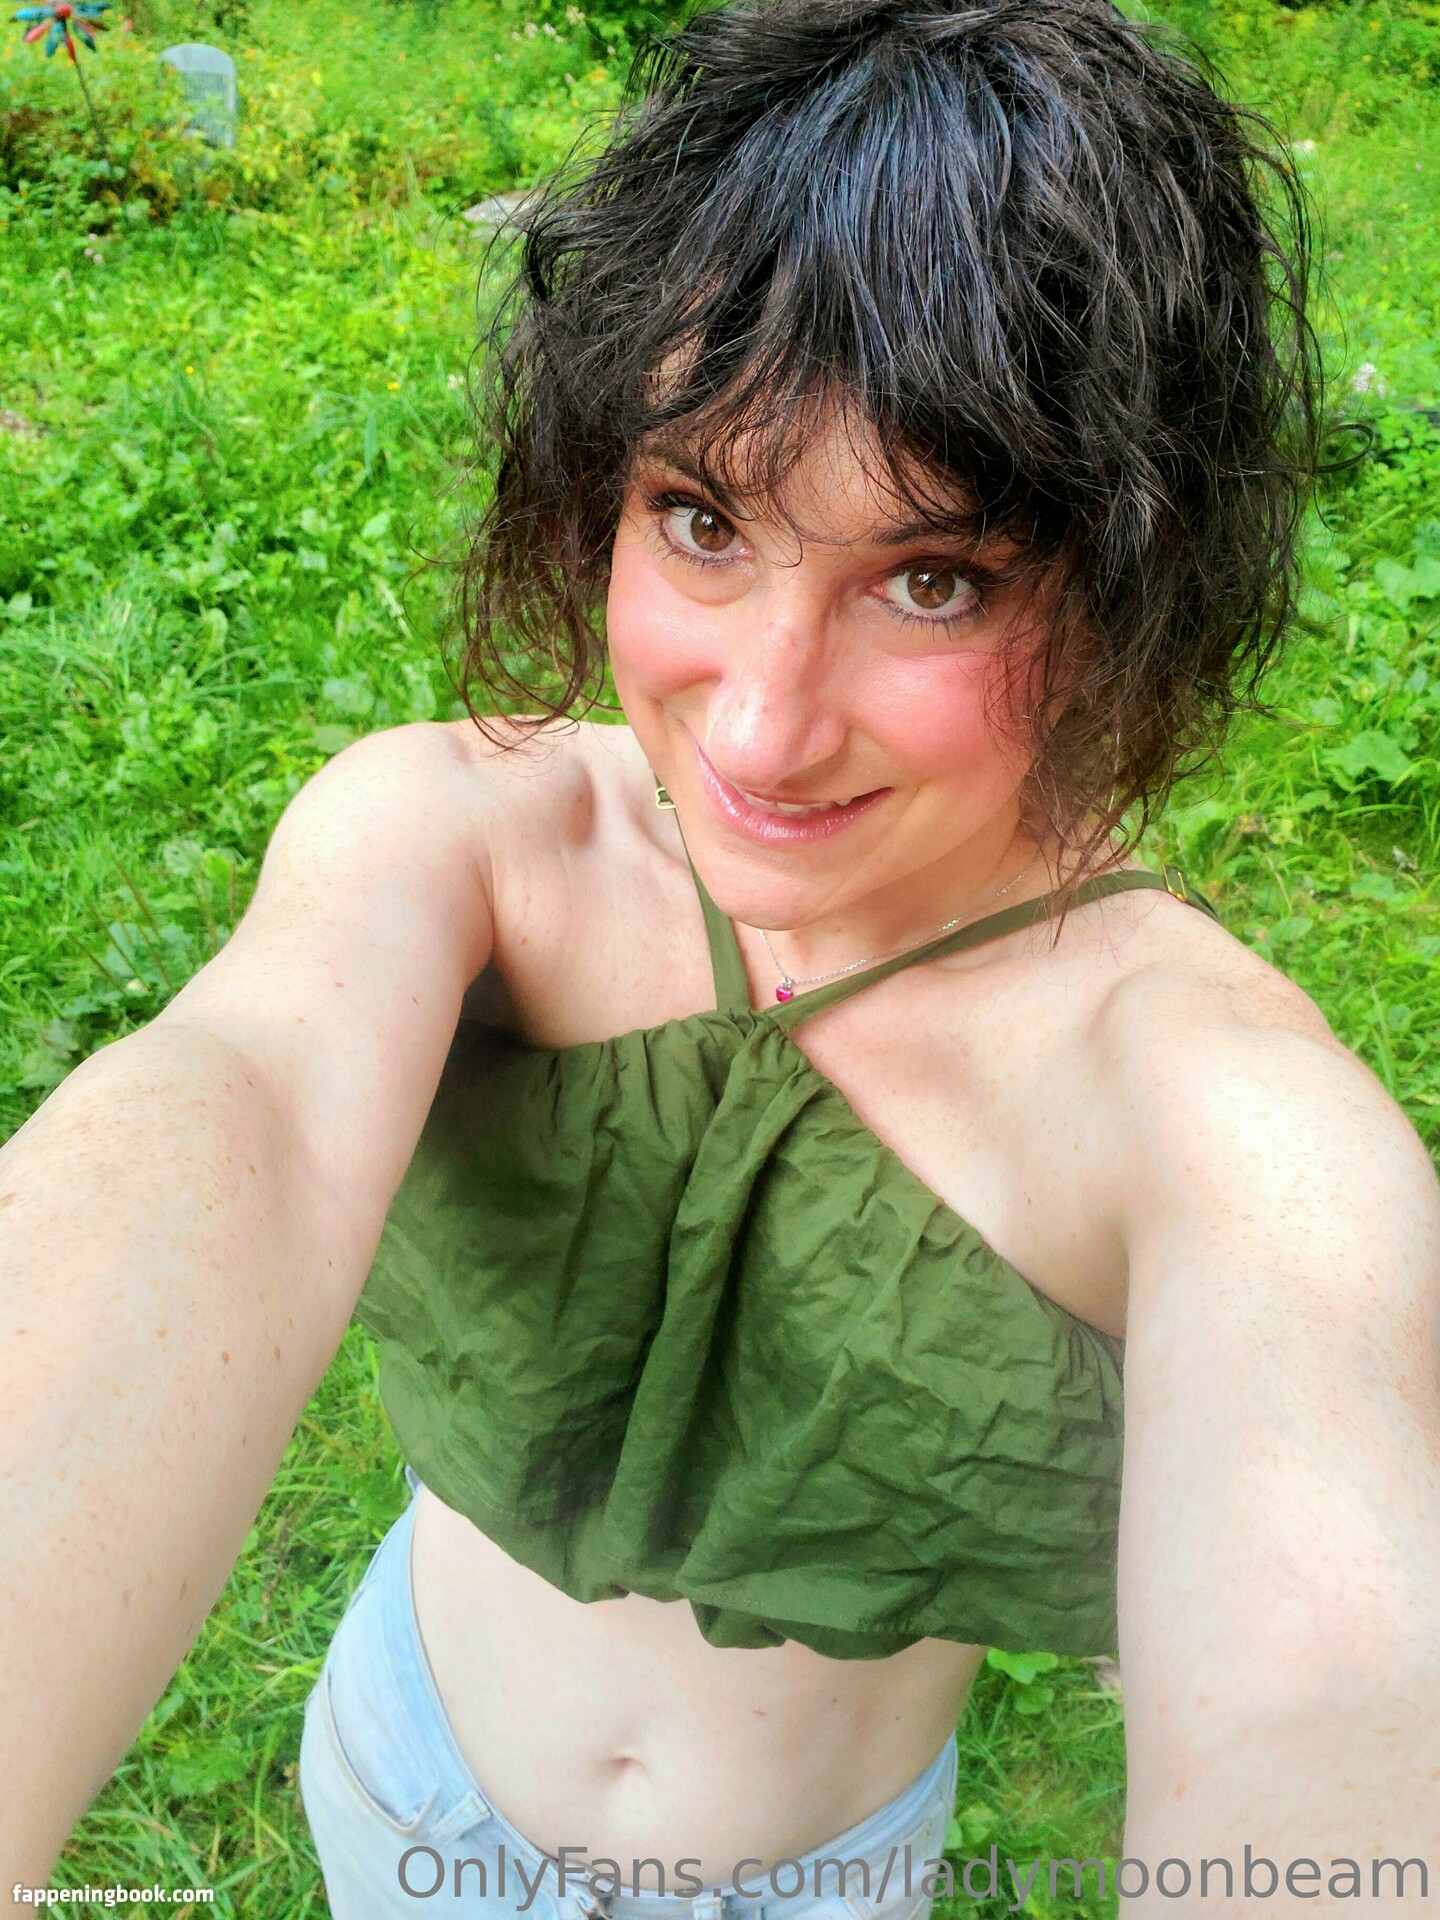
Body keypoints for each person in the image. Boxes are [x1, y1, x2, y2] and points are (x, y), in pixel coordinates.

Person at [3, 0, 1439, 1912]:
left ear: (1123, 587)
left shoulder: (1212, 1109)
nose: (759, 726)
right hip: (400, 1777)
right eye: (699, 519)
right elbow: (227, 1119)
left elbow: (1334, 1660)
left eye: (931, 579)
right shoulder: (467, 843)